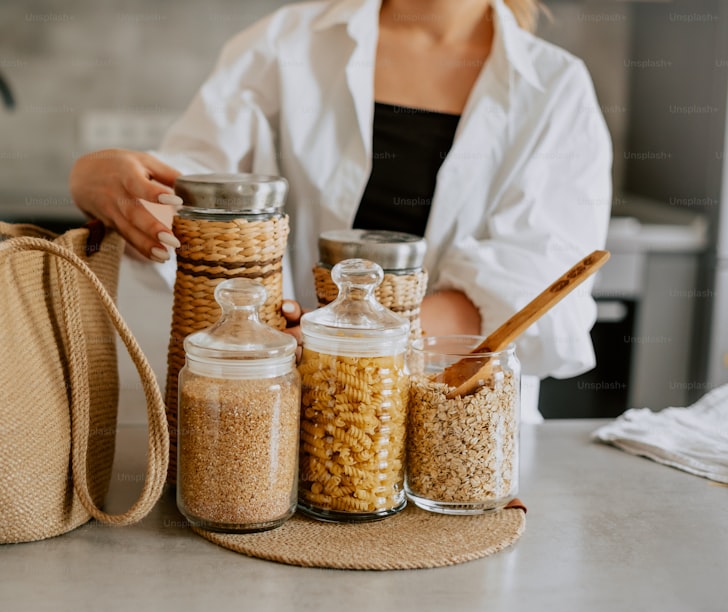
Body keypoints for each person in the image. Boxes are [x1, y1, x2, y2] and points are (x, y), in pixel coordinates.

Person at [69, 0, 612, 420]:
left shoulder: (555, 89)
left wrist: (351, 338)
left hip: (460, 428)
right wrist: (103, 179)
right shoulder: (287, 43)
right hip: (276, 413)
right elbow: (200, 199)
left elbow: (534, 284)